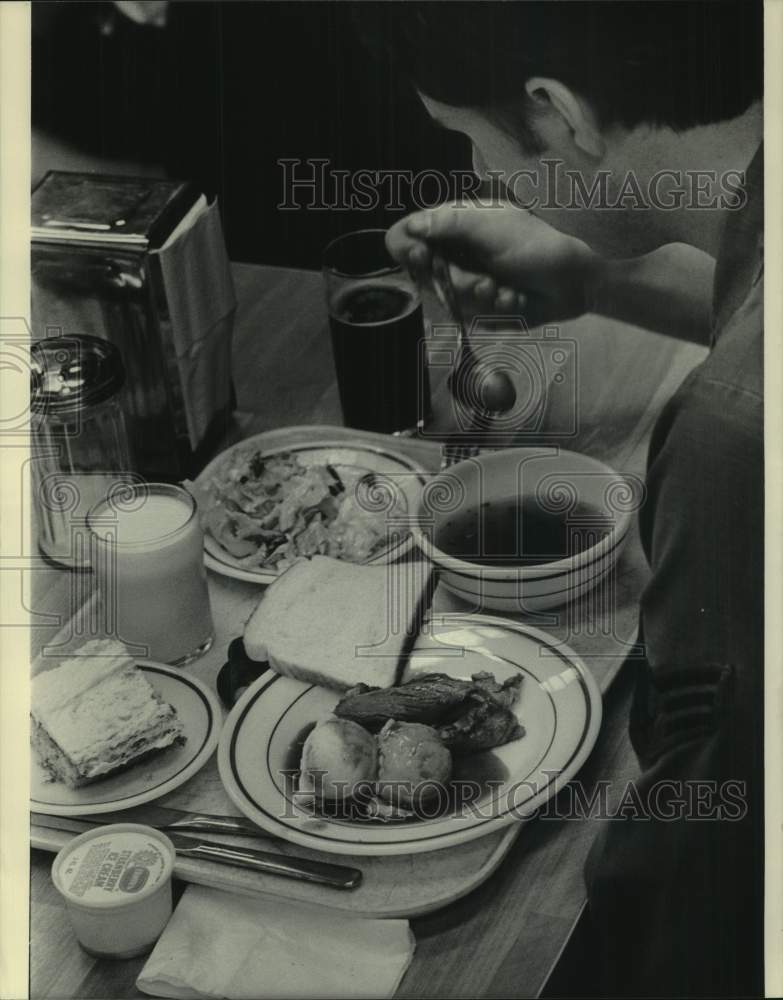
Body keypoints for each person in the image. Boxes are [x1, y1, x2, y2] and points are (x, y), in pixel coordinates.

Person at [360, 2, 764, 996]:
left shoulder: (733, 433)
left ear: (556, 112)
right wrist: (586, 271)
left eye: (473, 139)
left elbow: (706, 863)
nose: (491, 177)